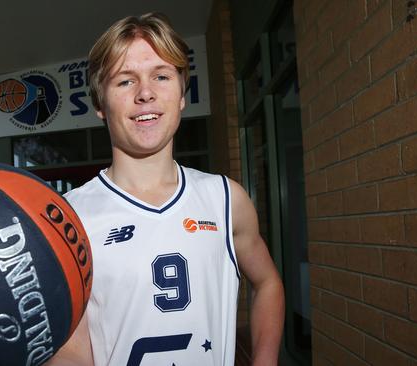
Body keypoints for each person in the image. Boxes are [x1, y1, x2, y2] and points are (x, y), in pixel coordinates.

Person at [49, 13, 284, 366]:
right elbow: (69, 349)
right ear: (100, 104)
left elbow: (267, 284)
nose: (146, 93)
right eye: (125, 81)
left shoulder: (226, 199)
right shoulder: (69, 218)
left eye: (161, 76)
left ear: (181, 94)